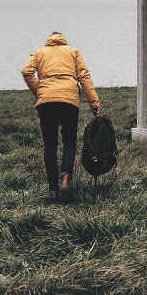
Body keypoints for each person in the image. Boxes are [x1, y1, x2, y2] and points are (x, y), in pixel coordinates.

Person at [21, 31, 100, 201]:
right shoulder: (73, 52)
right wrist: (94, 103)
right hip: (69, 100)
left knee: (50, 145)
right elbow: (84, 77)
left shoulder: (39, 52)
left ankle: (53, 190)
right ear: (63, 41)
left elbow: (26, 71)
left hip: (46, 101)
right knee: (69, 141)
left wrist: (39, 92)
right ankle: (65, 177)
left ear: (49, 41)